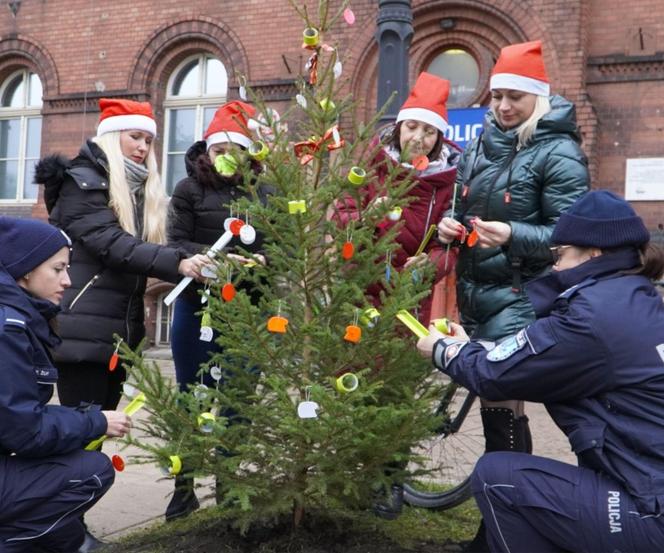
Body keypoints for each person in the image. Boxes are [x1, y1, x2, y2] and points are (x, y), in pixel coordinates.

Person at [419, 190, 664, 553]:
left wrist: (444, 350)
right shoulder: (636, 296)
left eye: (559, 254)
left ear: (593, 253)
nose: (555, 266)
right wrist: (471, 349)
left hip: (649, 512)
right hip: (647, 483)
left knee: (496, 477)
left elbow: (491, 375)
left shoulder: (590, 317)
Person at [435, 40, 589, 551]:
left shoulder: (558, 151)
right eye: (497, 95)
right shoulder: (478, 146)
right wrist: (450, 227)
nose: (503, 106)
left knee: (501, 404)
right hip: (480, 293)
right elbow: (459, 203)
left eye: (515, 97)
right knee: (500, 409)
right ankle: (504, 525)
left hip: (527, 295)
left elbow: (572, 236)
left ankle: (497, 531)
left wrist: (513, 234)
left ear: (537, 99)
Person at [35, 97, 210, 415]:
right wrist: (179, 263)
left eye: (148, 140)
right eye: (135, 137)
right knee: (83, 433)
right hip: (82, 331)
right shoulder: (82, 182)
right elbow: (113, 244)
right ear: (112, 137)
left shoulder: (137, 191)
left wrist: (206, 257)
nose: (143, 147)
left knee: (98, 433)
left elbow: (158, 245)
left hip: (117, 331)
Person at [0, 216, 132, 553]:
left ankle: (71, 543)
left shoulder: (17, 318)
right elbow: (24, 431)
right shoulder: (8, 329)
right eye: (58, 269)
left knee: (65, 461)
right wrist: (97, 420)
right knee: (90, 470)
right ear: (25, 270)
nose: (68, 280)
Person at [164, 100, 269, 521]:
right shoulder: (187, 190)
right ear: (208, 150)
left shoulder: (264, 193)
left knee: (237, 398)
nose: (227, 155)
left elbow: (278, 248)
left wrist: (260, 262)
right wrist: (207, 259)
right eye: (219, 148)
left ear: (247, 152)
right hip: (195, 309)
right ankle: (183, 484)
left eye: (235, 148)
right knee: (191, 393)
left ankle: (227, 481)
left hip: (246, 312)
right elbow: (175, 243)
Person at [337, 71, 460, 325]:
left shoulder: (448, 182)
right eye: (412, 127)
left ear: (438, 139)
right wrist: (366, 218)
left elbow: (450, 246)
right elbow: (341, 215)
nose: (418, 138)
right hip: (358, 292)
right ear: (399, 128)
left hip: (408, 298)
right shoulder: (368, 166)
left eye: (429, 131)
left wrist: (431, 266)